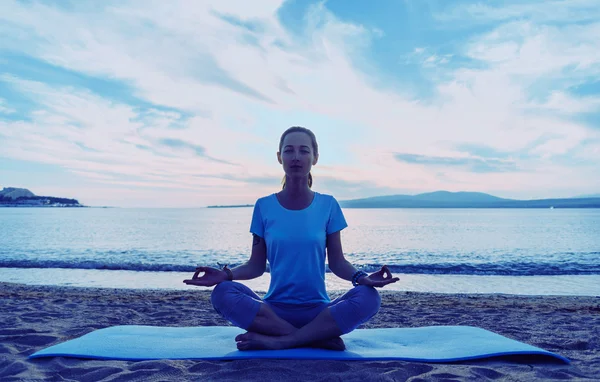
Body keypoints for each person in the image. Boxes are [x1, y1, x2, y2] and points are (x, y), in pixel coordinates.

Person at [184, 126, 399, 351]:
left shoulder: (328, 205)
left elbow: (337, 263)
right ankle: (315, 337)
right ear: (279, 157)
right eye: (289, 151)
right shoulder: (264, 206)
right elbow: (256, 266)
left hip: (319, 311)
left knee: (369, 297)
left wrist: (361, 277)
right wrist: (225, 274)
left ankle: (282, 340)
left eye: (304, 151)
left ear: (315, 157)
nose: (296, 157)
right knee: (222, 293)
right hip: (273, 311)